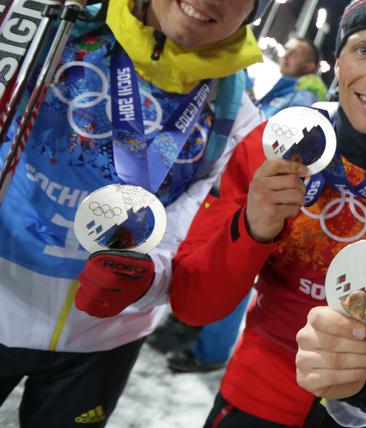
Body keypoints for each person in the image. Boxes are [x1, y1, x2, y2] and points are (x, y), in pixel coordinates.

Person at [169, 0, 366, 426]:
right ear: (338, 62)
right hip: (258, 396)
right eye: (363, 50)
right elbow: (194, 305)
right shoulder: (275, 147)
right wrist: (252, 228)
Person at [0, 0, 266, 426]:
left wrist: (147, 276)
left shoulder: (240, 112)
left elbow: (187, 240)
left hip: (104, 341)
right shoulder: (53, 27)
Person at [163, 37, 328, 374]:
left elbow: (280, 135)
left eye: (297, 53)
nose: (287, 55)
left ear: (311, 65)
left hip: (267, 181)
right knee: (226, 256)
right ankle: (199, 336)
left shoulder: (306, 95)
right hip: (247, 177)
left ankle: (211, 350)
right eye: (288, 49)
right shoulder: (286, 86)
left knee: (244, 262)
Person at [258, 37, 329, 118]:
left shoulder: (305, 97)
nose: (285, 55)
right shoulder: (287, 89)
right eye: (286, 50)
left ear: (309, 66)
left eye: (294, 54)